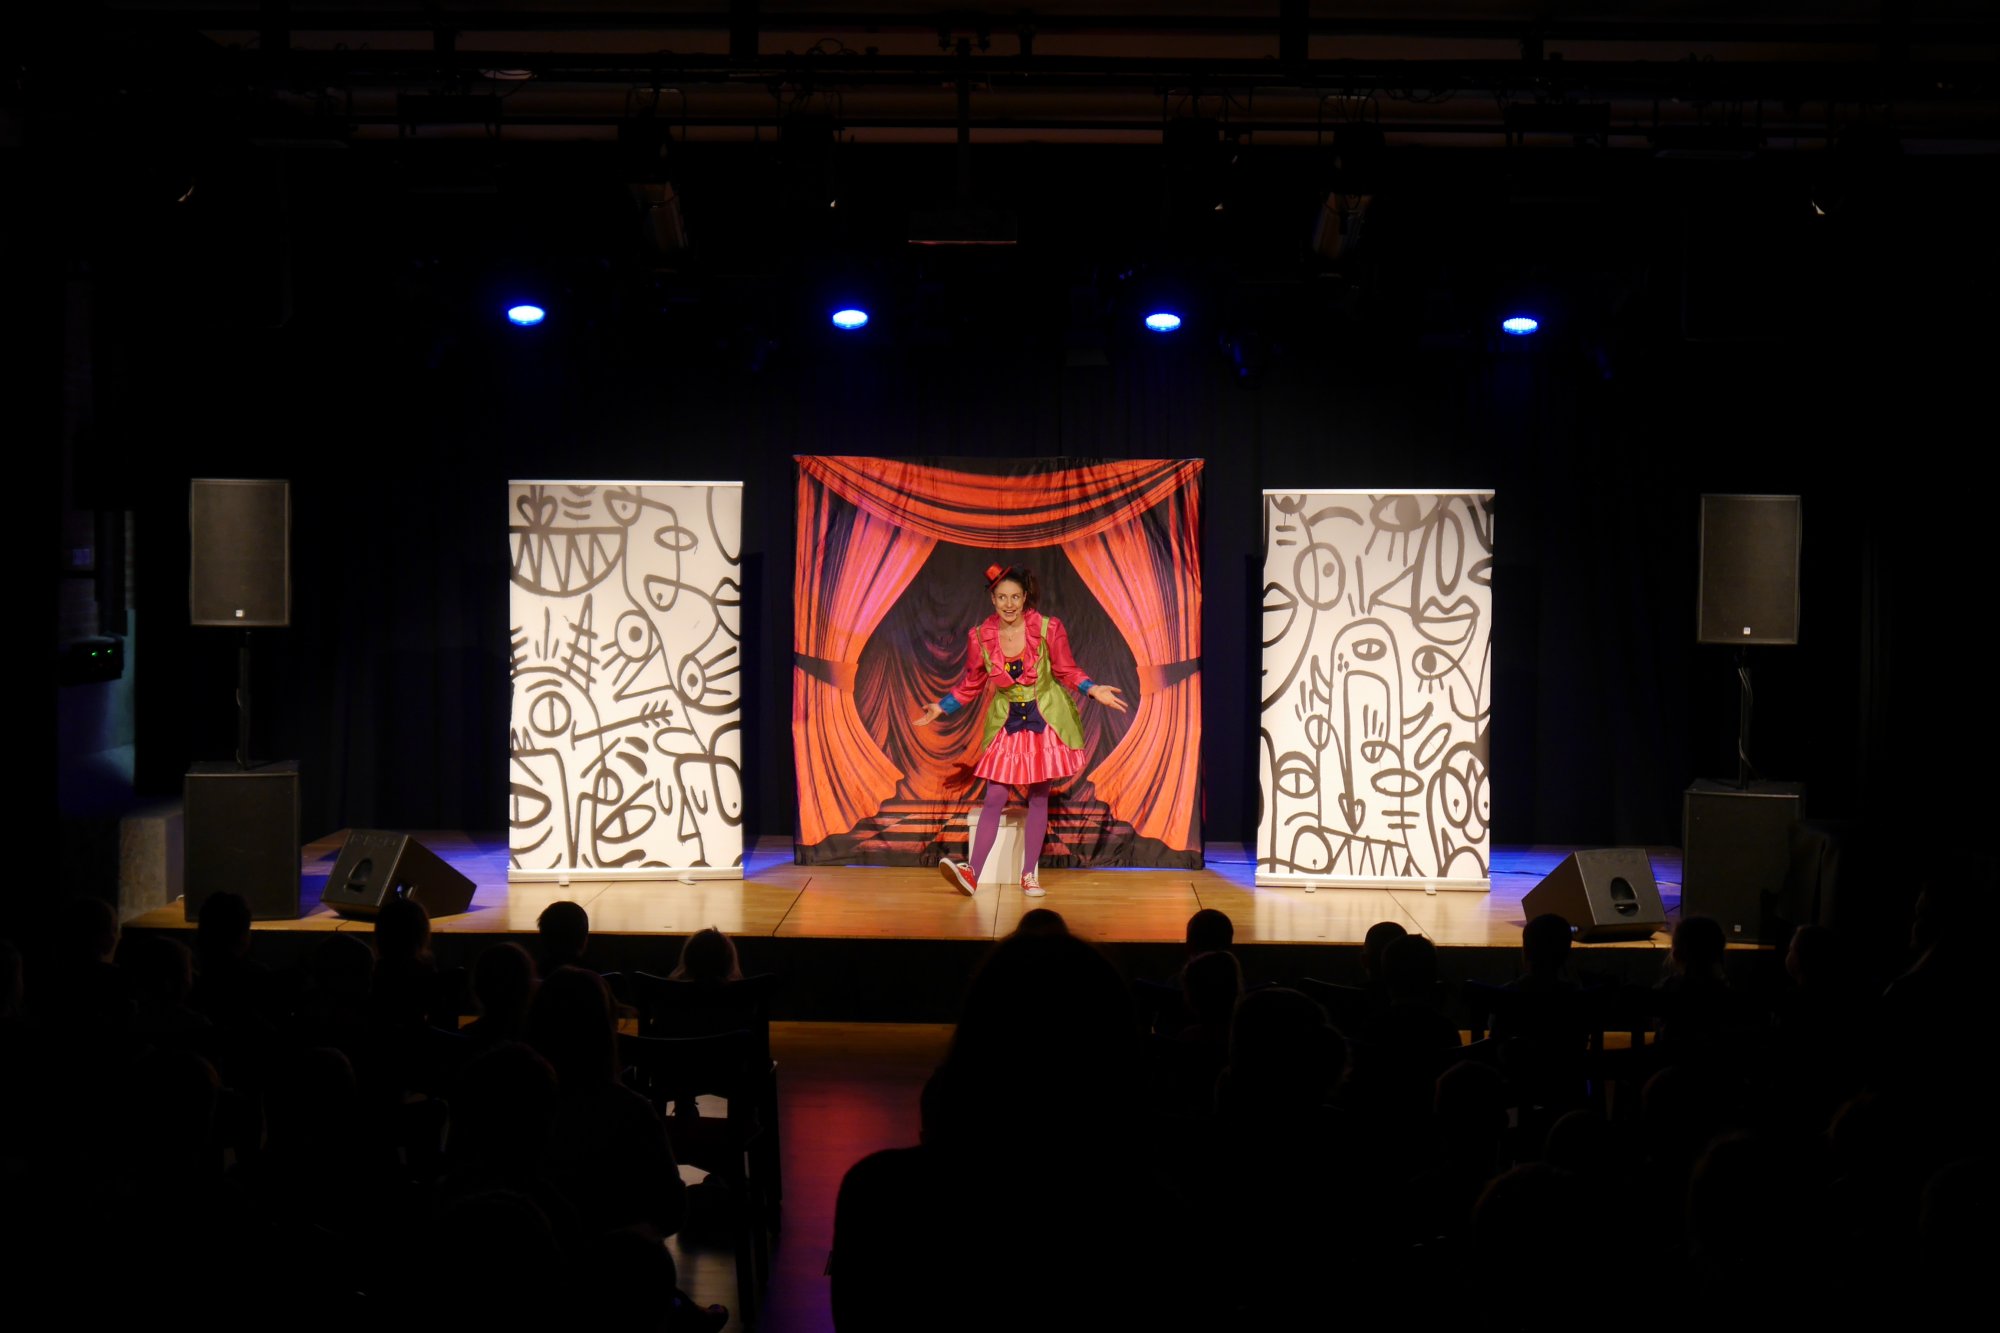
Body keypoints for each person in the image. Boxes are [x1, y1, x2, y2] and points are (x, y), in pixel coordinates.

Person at [913, 563, 1127, 899]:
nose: (1009, 604)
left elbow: (1066, 670)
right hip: (1008, 719)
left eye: (1015, 596)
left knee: (1038, 796)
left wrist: (1092, 689)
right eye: (1002, 597)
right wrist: (942, 706)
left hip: (1045, 716)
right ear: (993, 600)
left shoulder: (1048, 628)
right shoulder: (980, 636)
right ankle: (972, 873)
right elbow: (972, 683)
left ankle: (1029, 875)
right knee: (995, 795)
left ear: (1025, 597)